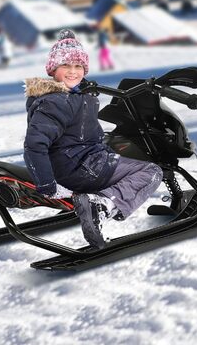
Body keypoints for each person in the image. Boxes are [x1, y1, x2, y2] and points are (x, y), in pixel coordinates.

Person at [23, 29, 163, 249]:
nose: (73, 71)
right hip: (80, 168)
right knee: (152, 171)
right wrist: (47, 185)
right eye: (66, 66)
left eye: (78, 66)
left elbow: (80, 135)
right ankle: (102, 205)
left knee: (122, 149)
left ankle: (98, 201)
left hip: (80, 162)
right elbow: (34, 146)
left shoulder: (75, 95)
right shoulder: (57, 101)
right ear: (52, 70)